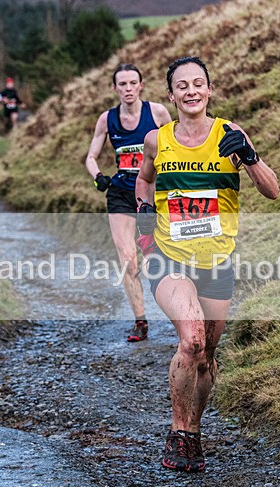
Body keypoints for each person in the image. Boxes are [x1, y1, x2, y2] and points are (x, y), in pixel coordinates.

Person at [134, 57, 280, 472]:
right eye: (183, 86)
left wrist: (249, 158)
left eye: (199, 84)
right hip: (168, 256)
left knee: (208, 355)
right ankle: (179, 434)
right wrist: (145, 220)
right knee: (192, 340)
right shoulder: (156, 141)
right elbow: (144, 180)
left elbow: (272, 191)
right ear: (171, 95)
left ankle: (193, 433)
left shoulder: (231, 134)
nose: (191, 91)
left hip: (216, 260)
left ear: (209, 90)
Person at [85, 63, 172, 342]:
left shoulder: (157, 112)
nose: (128, 89)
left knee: (161, 256)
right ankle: (140, 321)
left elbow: (177, 145)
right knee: (127, 256)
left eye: (132, 83)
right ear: (115, 88)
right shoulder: (107, 119)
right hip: (121, 192)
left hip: (153, 193)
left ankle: (181, 313)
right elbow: (91, 156)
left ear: (141, 85)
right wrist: (98, 175)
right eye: (122, 84)